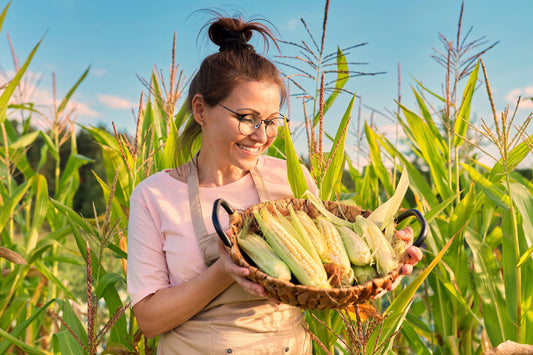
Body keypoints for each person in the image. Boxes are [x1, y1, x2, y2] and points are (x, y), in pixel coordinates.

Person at [127, 14, 423, 354]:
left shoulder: (290, 180)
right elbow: (149, 321)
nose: (262, 135)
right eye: (247, 118)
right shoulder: (155, 195)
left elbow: (327, 284)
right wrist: (224, 271)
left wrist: (383, 266)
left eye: (271, 121)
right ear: (200, 110)